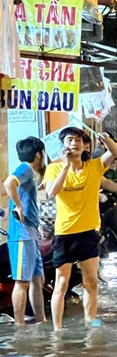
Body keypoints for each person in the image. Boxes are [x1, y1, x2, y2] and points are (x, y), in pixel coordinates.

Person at [44, 127, 117, 330]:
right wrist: (65, 166)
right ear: (63, 145)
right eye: (71, 140)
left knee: (91, 283)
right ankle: (57, 331)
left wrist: (106, 140)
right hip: (64, 234)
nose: (75, 143)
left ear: (84, 145)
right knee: (60, 284)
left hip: (88, 233)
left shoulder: (94, 167)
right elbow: (51, 192)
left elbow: (115, 153)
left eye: (79, 140)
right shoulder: (53, 168)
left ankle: (91, 324)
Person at [3, 137, 48, 326]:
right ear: (38, 154)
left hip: (31, 235)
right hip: (21, 236)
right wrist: (19, 207)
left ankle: (41, 320)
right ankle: (19, 326)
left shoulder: (30, 174)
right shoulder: (25, 169)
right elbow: (8, 183)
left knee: (38, 280)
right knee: (22, 282)